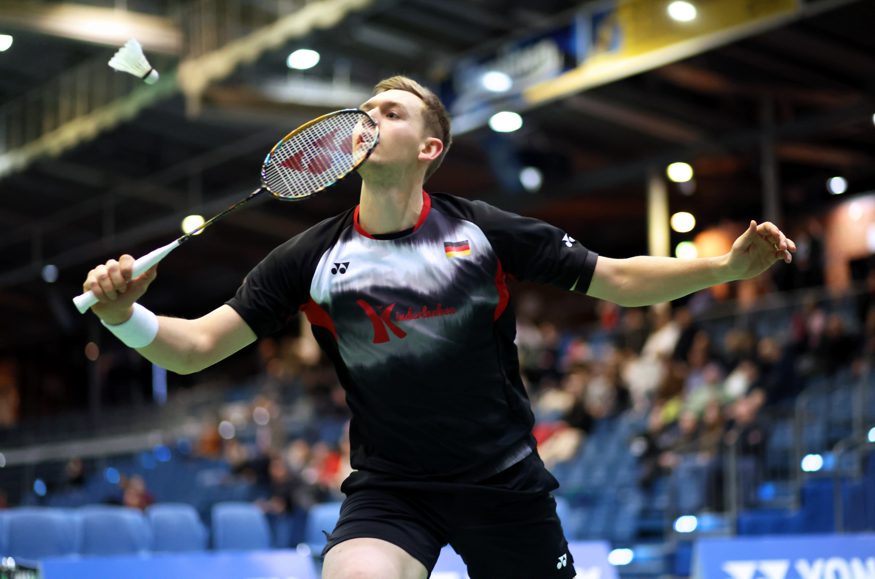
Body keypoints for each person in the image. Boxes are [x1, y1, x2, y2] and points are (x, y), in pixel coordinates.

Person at [82, 75, 796, 579]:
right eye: (363, 111)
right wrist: (123, 314)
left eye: (390, 112)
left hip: (503, 481)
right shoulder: (309, 258)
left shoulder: (482, 232)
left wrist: (722, 269)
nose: (367, 120)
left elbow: (616, 278)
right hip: (392, 488)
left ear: (429, 148)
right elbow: (196, 347)